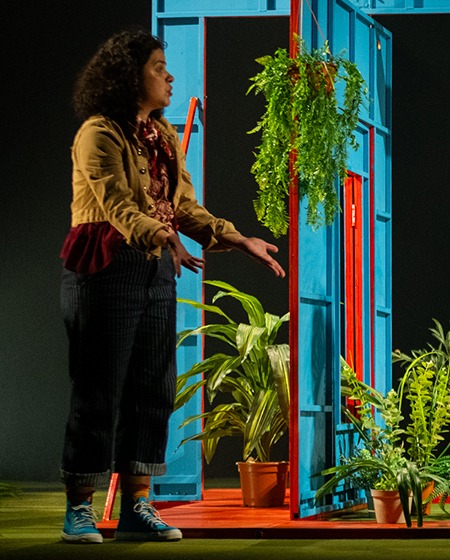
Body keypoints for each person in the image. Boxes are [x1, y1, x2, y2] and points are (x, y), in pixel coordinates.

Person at [58, 30, 285, 544]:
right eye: (159, 67)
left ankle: (137, 506)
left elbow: (182, 206)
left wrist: (236, 238)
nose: (170, 76)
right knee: (99, 388)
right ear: (129, 75)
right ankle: (79, 508)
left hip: (156, 266)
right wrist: (164, 236)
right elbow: (118, 205)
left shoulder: (159, 133)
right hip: (106, 265)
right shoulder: (98, 133)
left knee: (152, 386)